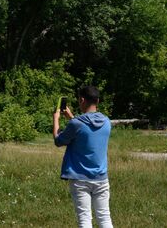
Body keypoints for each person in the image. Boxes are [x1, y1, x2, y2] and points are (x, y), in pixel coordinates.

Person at [53, 85, 113, 228]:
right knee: (104, 217)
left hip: (80, 179)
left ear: (81, 100)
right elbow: (87, 131)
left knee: (84, 219)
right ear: (97, 101)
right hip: (101, 178)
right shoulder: (107, 122)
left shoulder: (77, 123)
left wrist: (56, 119)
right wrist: (72, 118)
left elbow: (58, 141)